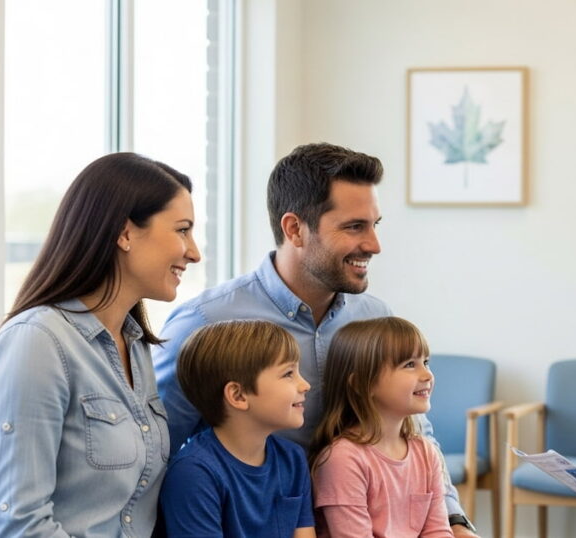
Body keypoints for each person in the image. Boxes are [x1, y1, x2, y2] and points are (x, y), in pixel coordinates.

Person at [153, 142, 480, 536]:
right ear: (294, 229)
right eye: (354, 227)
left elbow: (415, 430)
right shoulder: (203, 322)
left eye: (375, 225)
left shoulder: (375, 317)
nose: (374, 245)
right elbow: (159, 453)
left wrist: (456, 519)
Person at [0, 153, 201, 536]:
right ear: (124, 233)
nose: (194, 252)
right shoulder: (37, 343)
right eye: (182, 230)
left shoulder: (136, 346)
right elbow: (19, 524)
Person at [160, 320, 316, 538]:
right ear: (238, 396)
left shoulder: (293, 459)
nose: (305, 384)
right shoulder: (193, 474)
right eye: (288, 373)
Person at [309, 317, 452, 538]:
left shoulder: (426, 453)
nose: (427, 375)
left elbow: (439, 532)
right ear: (361, 384)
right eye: (409, 365)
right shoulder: (342, 460)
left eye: (425, 362)